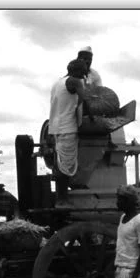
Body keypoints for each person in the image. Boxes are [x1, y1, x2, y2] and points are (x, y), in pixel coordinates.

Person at [49, 59, 93, 206]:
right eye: (83, 73)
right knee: (66, 166)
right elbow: (85, 99)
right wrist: (92, 117)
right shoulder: (74, 81)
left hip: (56, 128)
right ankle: (62, 200)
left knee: (60, 163)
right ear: (78, 72)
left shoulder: (58, 82)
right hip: (67, 128)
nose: (84, 77)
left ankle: (60, 198)